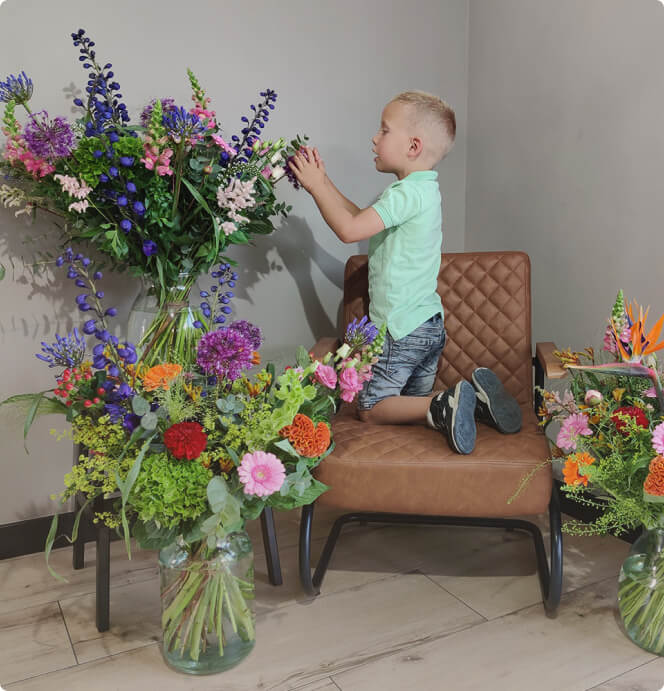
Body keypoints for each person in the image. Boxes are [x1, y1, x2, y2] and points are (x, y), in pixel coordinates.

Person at [288, 91, 521, 454]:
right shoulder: (420, 191)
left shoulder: (404, 195)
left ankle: (442, 402)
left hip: (400, 330)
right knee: (408, 412)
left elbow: (349, 230)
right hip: (428, 325)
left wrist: (316, 186)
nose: (374, 138)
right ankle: (472, 400)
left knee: (372, 407)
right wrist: (324, 180)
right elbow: (358, 218)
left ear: (413, 146)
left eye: (384, 130)